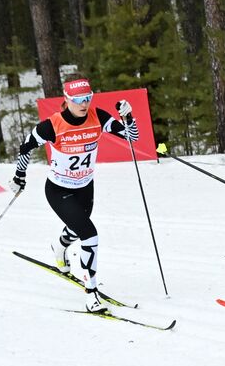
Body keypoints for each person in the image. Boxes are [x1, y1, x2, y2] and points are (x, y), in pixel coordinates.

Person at [10, 78, 141, 312]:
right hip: (58, 189)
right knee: (89, 235)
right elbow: (26, 147)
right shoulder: (52, 125)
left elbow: (132, 137)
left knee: (78, 228)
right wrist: (19, 176)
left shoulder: (98, 117)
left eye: (88, 98)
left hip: (85, 187)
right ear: (67, 100)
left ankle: (58, 248)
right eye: (79, 100)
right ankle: (91, 293)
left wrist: (128, 116)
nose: (84, 104)